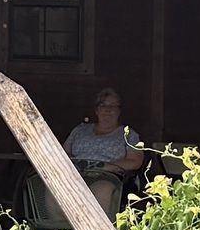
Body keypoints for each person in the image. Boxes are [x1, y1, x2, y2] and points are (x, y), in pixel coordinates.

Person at [60, 88, 148, 219]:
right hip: (76, 175)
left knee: (102, 191)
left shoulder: (128, 134)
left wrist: (107, 167)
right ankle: (60, 227)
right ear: (96, 110)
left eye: (113, 106)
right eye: (103, 105)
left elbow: (135, 161)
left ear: (119, 111)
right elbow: (63, 153)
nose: (108, 109)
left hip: (108, 177)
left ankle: (96, 229)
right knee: (57, 190)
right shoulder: (79, 130)